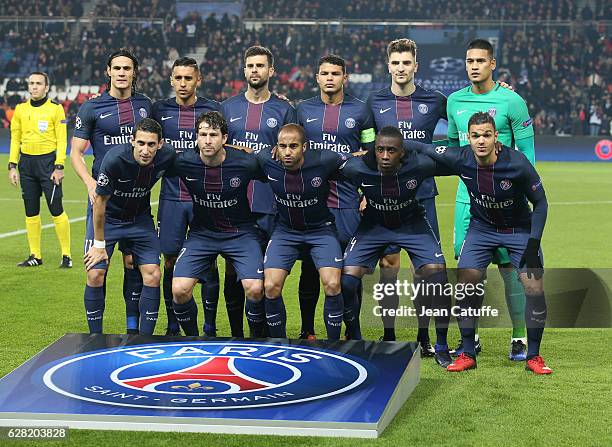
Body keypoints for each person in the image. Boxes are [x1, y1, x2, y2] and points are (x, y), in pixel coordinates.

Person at [409, 112, 552, 374]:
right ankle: (467, 352)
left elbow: (541, 203)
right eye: (475, 136)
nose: (481, 141)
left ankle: (534, 355)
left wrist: (533, 245)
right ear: (468, 138)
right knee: (466, 283)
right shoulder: (460, 157)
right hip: (482, 229)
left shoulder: (517, 163)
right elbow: (421, 147)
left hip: (518, 230)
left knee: (534, 287)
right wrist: (380, 150)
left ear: (496, 137)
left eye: (487, 135)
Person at [447, 38, 536, 360]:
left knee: (510, 269)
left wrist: (521, 197)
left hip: (506, 201)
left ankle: (519, 337)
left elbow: (527, 154)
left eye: (480, 61)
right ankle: (472, 338)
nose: (474, 66)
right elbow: (455, 148)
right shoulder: (454, 101)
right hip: (467, 200)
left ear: (492, 64)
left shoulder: (512, 102)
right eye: (469, 60)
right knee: (468, 271)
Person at [340, 126, 453, 366]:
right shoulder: (356, 167)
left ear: (402, 152)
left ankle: (438, 344)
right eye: (380, 150)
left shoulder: (420, 166)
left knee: (438, 277)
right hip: (374, 225)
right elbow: (321, 167)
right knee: (348, 279)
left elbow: (459, 163)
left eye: (391, 150)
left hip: (411, 223)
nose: (385, 156)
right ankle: (357, 342)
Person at [366, 38, 447, 349]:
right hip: (385, 198)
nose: (401, 68)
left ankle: (424, 337)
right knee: (389, 266)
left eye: (406, 63)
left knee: (425, 269)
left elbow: (464, 116)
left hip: (422, 195)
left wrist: (498, 90)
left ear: (416, 66)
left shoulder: (435, 100)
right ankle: (388, 335)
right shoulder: (374, 103)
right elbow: (363, 146)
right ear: (389, 66)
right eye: (396, 63)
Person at [71, 48, 153, 334]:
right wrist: (89, 183)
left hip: (137, 204)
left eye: (126, 69)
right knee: (95, 272)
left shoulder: (145, 105)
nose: (121, 73)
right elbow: (76, 152)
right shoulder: (92, 107)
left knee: (133, 264)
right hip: (103, 203)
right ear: (108, 71)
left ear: (134, 73)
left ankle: (132, 329)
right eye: (116, 68)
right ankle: (95, 336)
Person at [219, 45, 297, 338]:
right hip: (234, 201)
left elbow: (292, 149)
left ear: (270, 71)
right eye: (250, 65)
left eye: (260, 66)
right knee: (232, 269)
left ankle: (264, 332)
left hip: (270, 201)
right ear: (244, 71)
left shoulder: (284, 109)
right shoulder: (227, 108)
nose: (255, 70)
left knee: (267, 271)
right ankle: (238, 333)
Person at [295, 54, 375, 339]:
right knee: (309, 266)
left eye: (335, 73)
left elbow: (370, 155)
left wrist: (366, 193)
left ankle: (352, 332)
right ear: (317, 77)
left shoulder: (362, 111)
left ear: (345, 78)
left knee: (350, 272)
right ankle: (307, 329)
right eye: (324, 73)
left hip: (347, 200)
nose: (330, 78)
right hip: (312, 200)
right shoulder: (302, 111)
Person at [169, 111, 265, 336]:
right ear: (196, 137)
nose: (207, 140)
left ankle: (255, 339)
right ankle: (193, 338)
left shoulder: (246, 163)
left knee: (255, 288)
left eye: (213, 135)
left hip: (241, 233)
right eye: (202, 134)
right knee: (179, 290)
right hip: (202, 234)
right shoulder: (184, 162)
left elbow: (277, 175)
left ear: (224, 138)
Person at [256, 124, 349, 339]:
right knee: (270, 286)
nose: (287, 152)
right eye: (283, 146)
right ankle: (278, 342)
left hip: (321, 231)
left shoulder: (324, 160)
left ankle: (333, 346)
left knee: (333, 284)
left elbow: (355, 160)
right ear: (275, 147)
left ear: (304, 147)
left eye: (293, 146)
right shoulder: (266, 160)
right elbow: (241, 154)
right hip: (285, 232)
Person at [83, 118, 175, 335]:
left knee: (153, 274)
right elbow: (99, 202)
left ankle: (145, 339)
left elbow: (197, 156)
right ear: (132, 140)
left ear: (160, 144)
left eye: (151, 144)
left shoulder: (168, 156)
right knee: (95, 274)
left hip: (139, 220)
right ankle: (94, 337)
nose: (145, 150)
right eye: (141, 143)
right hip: (109, 219)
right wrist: (98, 244)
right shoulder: (114, 159)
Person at [152, 57, 222, 337]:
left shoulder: (212, 109)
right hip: (171, 197)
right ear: (171, 80)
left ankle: (210, 325)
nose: (183, 83)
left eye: (188, 78)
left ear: (198, 80)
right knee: (169, 260)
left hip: (204, 197)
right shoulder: (159, 110)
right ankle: (173, 323)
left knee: (209, 260)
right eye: (178, 78)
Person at [8, 71, 71, 268]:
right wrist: (12, 165)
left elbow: (62, 140)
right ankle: (35, 255)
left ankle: (66, 256)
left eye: (38, 83)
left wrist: (59, 165)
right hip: (26, 165)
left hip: (48, 164)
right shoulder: (20, 109)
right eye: (31, 83)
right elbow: (15, 139)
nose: (34, 86)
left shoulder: (56, 109)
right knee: (31, 211)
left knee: (56, 209)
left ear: (46, 87)